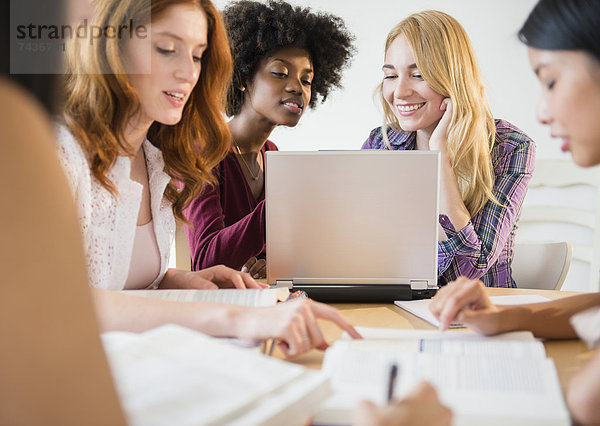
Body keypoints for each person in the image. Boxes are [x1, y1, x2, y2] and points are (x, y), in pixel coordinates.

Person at [56, 0, 360, 356]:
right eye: (167, 49)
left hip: (136, 365)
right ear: (113, 51)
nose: (188, 71)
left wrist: (179, 281)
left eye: (198, 55)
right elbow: (56, 302)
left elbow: (124, 281)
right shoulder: (61, 152)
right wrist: (232, 317)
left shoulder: (157, 161)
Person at [430, 1, 600, 424]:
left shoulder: (511, 146)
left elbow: (585, 404)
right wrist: (505, 315)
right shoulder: (380, 142)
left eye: (551, 81)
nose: (542, 111)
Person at [362, 10, 536, 288]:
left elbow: (470, 269)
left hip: (480, 315)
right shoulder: (381, 144)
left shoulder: (511, 148)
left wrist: (439, 154)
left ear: (452, 78)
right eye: (391, 76)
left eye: (418, 75)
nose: (400, 92)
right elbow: (362, 250)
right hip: (397, 309)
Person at [184, 0, 354, 278]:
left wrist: (269, 262)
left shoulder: (270, 154)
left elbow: (266, 251)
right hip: (217, 310)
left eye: (307, 80)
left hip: (259, 302)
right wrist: (284, 204)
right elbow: (206, 261)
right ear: (242, 77)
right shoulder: (203, 149)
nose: (297, 88)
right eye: (280, 73)